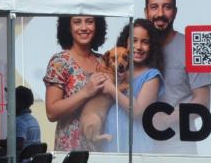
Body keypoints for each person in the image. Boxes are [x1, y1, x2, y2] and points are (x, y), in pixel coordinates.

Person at [43, 14, 115, 152]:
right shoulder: (60, 62)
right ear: (68, 28)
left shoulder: (104, 61)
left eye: (89, 22)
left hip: (103, 147)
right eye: (77, 22)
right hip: (71, 151)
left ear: (97, 26)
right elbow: (51, 113)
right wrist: (85, 92)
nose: (84, 28)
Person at [145, 0, 211, 109]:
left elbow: (203, 101)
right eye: (154, 7)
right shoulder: (137, 50)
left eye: (167, 7)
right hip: (141, 128)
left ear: (175, 12)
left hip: (183, 128)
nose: (160, 13)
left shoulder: (195, 46)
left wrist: (167, 120)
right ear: (146, 12)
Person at [103, 20, 164, 155]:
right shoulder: (116, 73)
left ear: (151, 46)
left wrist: (112, 89)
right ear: (126, 43)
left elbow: (137, 112)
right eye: (134, 41)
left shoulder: (151, 76)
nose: (138, 47)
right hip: (111, 143)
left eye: (145, 42)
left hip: (137, 147)